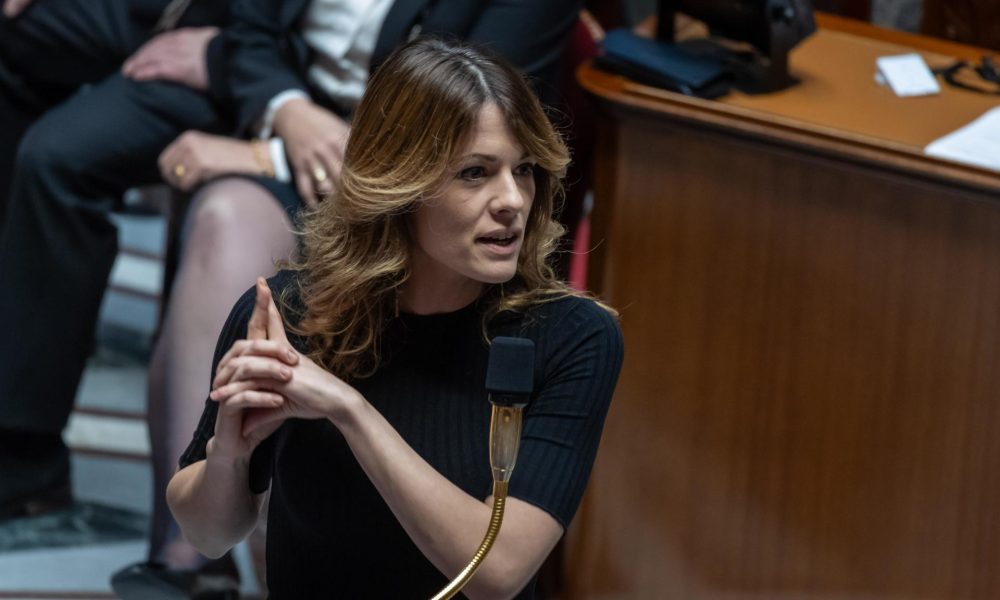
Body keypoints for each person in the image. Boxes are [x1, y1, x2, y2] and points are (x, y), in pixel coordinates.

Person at [117, 1, 583, 597]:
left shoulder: (570, 336)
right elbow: (209, 534)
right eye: (475, 173)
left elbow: (495, 574)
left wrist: (350, 411)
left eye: (524, 171)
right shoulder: (291, 312)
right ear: (400, 182)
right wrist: (229, 457)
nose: (513, 200)